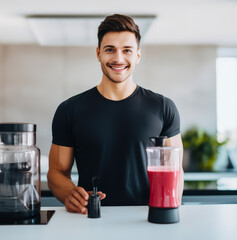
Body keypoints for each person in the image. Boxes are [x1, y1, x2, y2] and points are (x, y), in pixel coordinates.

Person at [47, 14, 184, 214]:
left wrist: (169, 211)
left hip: (148, 220)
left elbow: (175, 171)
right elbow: (57, 172)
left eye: (127, 50)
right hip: (91, 220)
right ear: (98, 54)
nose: (118, 58)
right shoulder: (69, 110)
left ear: (137, 55)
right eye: (110, 50)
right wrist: (69, 192)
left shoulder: (163, 108)